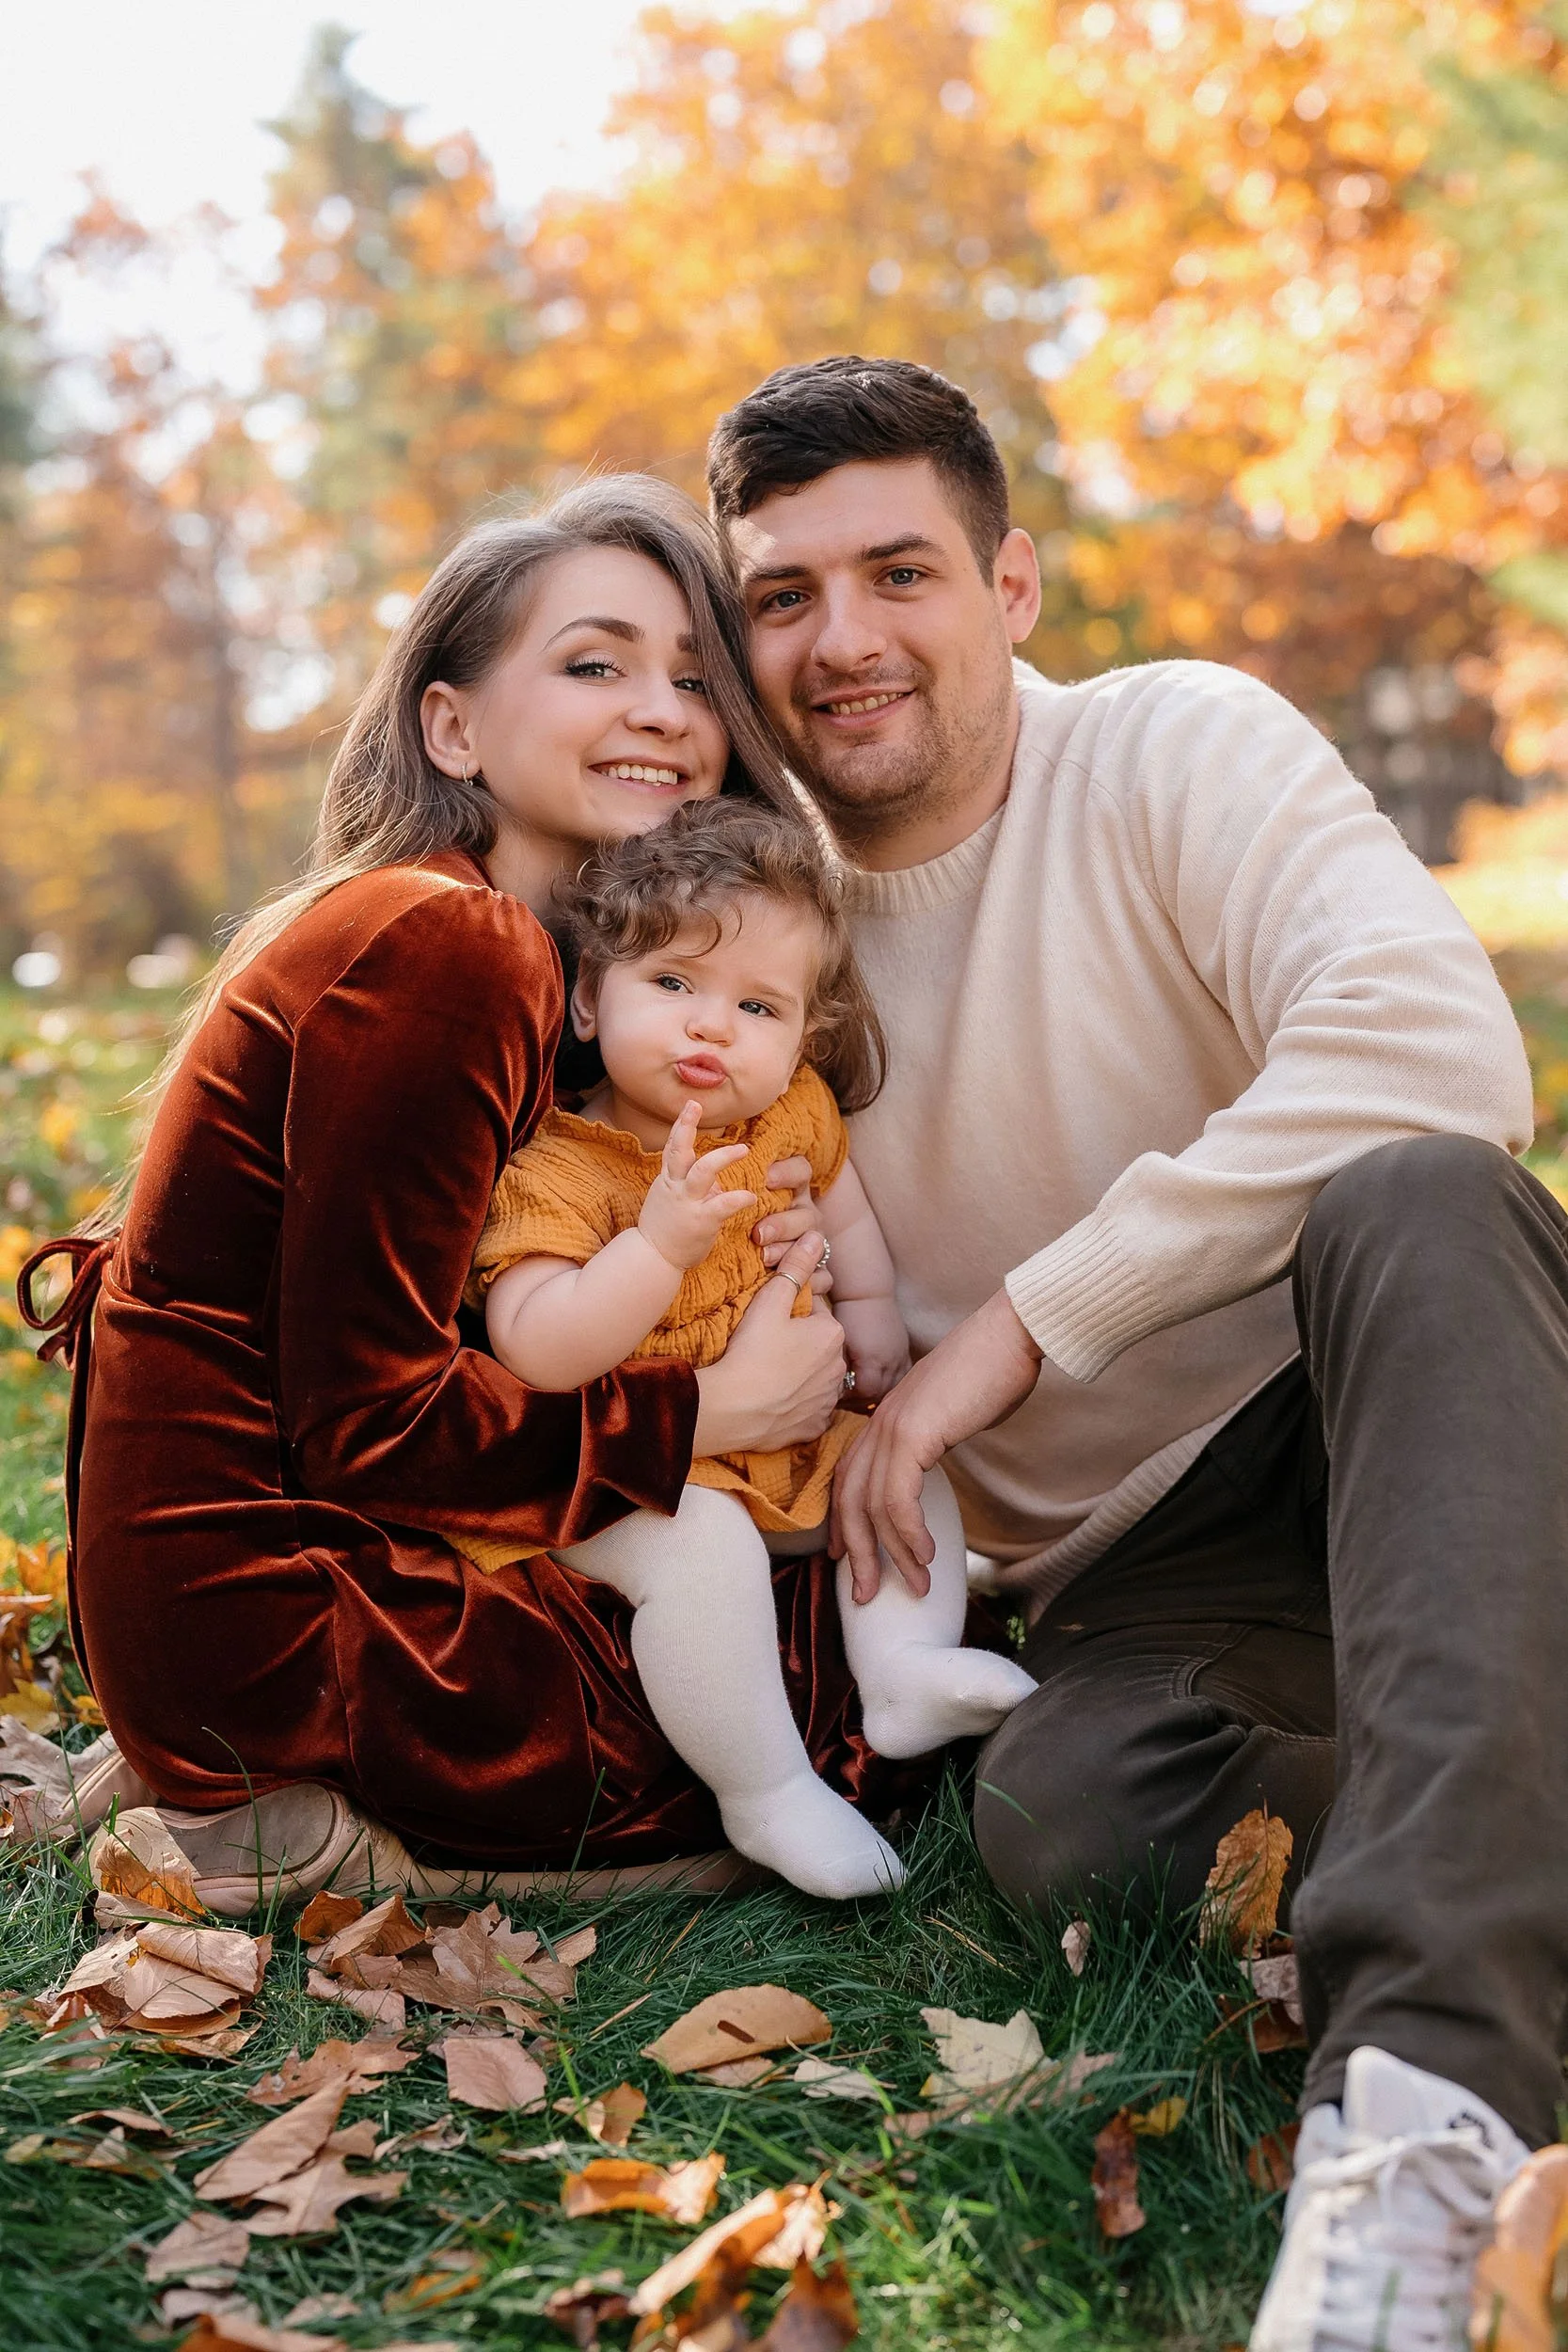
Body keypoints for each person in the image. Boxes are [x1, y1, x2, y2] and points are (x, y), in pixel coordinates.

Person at [706, 354, 1566, 2347]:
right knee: (1059, 1809)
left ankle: (1423, 2109)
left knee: (1415, 1192)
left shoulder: (1171, 744)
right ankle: (1491, 1813)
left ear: (1006, 587)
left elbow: (1442, 1053)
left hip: (1394, 1416)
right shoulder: (730, 933)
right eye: (779, 595)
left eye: (895, 569)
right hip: (1138, 1588)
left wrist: (1009, 1329)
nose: (841, 638)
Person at [17, 475, 910, 1908]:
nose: (665, 709)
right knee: (815, 1674)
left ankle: (221, 1758)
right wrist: (707, 1416)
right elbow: (369, 1423)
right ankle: (266, 1805)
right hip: (285, 1620)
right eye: (594, 662)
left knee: (825, 1571)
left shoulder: (556, 980)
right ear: (452, 726)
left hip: (255, 1587)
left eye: (692, 676)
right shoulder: (454, 950)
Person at [455, 798, 1035, 1898]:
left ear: (802, 1035)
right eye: (672, 984)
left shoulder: (790, 1113)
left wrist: (869, 1326)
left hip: (790, 1438)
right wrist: (658, 1245)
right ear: (588, 996)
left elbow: (848, 1217)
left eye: (756, 1005)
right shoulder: (560, 1168)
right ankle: (763, 1790)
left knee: (895, 1464)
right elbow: (534, 1348)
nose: (710, 1027)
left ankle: (903, 1667)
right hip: (636, 1481)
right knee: (704, 1548)